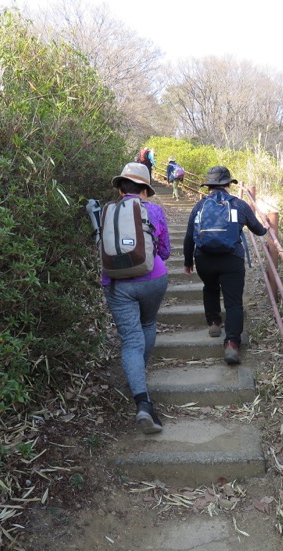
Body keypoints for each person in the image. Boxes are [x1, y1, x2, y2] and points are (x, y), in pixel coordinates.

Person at [102, 162, 170, 433]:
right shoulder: (154, 210)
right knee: (148, 324)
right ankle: (138, 373)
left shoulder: (106, 212)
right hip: (153, 279)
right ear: (145, 190)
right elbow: (164, 251)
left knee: (131, 340)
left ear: (120, 190)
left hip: (116, 283)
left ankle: (143, 403)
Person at [183, 166, 268, 365]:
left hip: (203, 258)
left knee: (210, 288)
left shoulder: (199, 206)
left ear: (208, 186)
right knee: (233, 302)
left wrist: (188, 262)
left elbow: (189, 237)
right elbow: (257, 230)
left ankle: (213, 322)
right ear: (229, 184)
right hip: (232, 259)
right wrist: (267, 229)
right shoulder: (239, 204)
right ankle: (231, 343)